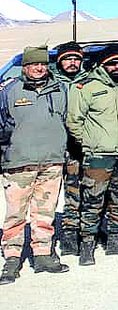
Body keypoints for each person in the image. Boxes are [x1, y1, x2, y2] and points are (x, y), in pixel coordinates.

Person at [66, 44, 118, 263]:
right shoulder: (85, 87)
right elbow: (74, 121)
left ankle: (115, 240)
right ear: (102, 65)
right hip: (99, 154)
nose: (117, 67)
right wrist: (90, 143)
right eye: (112, 63)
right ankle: (87, 244)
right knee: (93, 199)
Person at [0, 46, 71, 283]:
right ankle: (12, 257)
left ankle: (42, 253)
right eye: (34, 65)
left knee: (45, 211)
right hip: (19, 162)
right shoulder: (9, 90)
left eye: (43, 64)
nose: (39, 68)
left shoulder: (61, 88)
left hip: (52, 162)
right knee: (15, 213)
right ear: (25, 67)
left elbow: (68, 122)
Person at [52, 41, 86, 255]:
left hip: (79, 147)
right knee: (51, 195)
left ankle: (79, 232)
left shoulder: (88, 82)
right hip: (55, 146)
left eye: (76, 59)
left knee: (79, 191)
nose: (72, 63)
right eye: (68, 59)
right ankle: (63, 234)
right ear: (59, 61)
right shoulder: (51, 83)